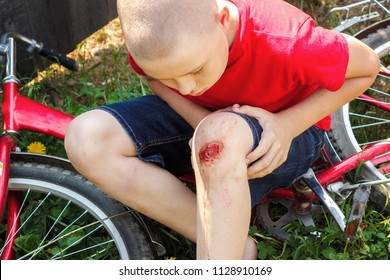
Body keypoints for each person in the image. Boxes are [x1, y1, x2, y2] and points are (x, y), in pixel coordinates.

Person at [64, 0, 380, 259]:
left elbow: (367, 66)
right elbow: (156, 80)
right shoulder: (156, 40)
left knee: (218, 135)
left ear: (223, 20)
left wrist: (287, 125)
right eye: (170, 76)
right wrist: (198, 118)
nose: (186, 86)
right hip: (209, 121)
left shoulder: (285, 40)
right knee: (87, 138)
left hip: (286, 131)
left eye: (195, 69)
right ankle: (231, 247)